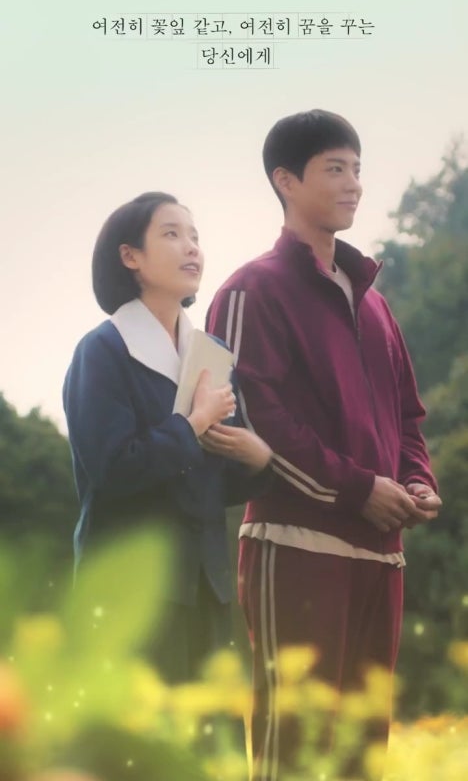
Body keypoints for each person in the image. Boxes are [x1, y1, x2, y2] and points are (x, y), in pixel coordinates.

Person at [205, 110, 442, 780]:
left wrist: (416, 480)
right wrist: (359, 489)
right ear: (286, 181)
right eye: (335, 169)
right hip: (296, 547)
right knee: (295, 750)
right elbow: (256, 419)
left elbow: (406, 413)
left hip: (382, 557)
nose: (353, 183)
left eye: (357, 169)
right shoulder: (250, 289)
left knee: (364, 755)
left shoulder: (375, 303)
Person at [63, 191, 272, 684]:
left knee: (207, 729)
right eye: (172, 234)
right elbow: (114, 469)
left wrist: (258, 461)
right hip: (131, 592)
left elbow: (211, 483)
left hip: (206, 588)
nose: (192, 247)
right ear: (130, 256)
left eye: (195, 236)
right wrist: (192, 424)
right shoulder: (102, 350)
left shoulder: (211, 354)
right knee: (138, 731)